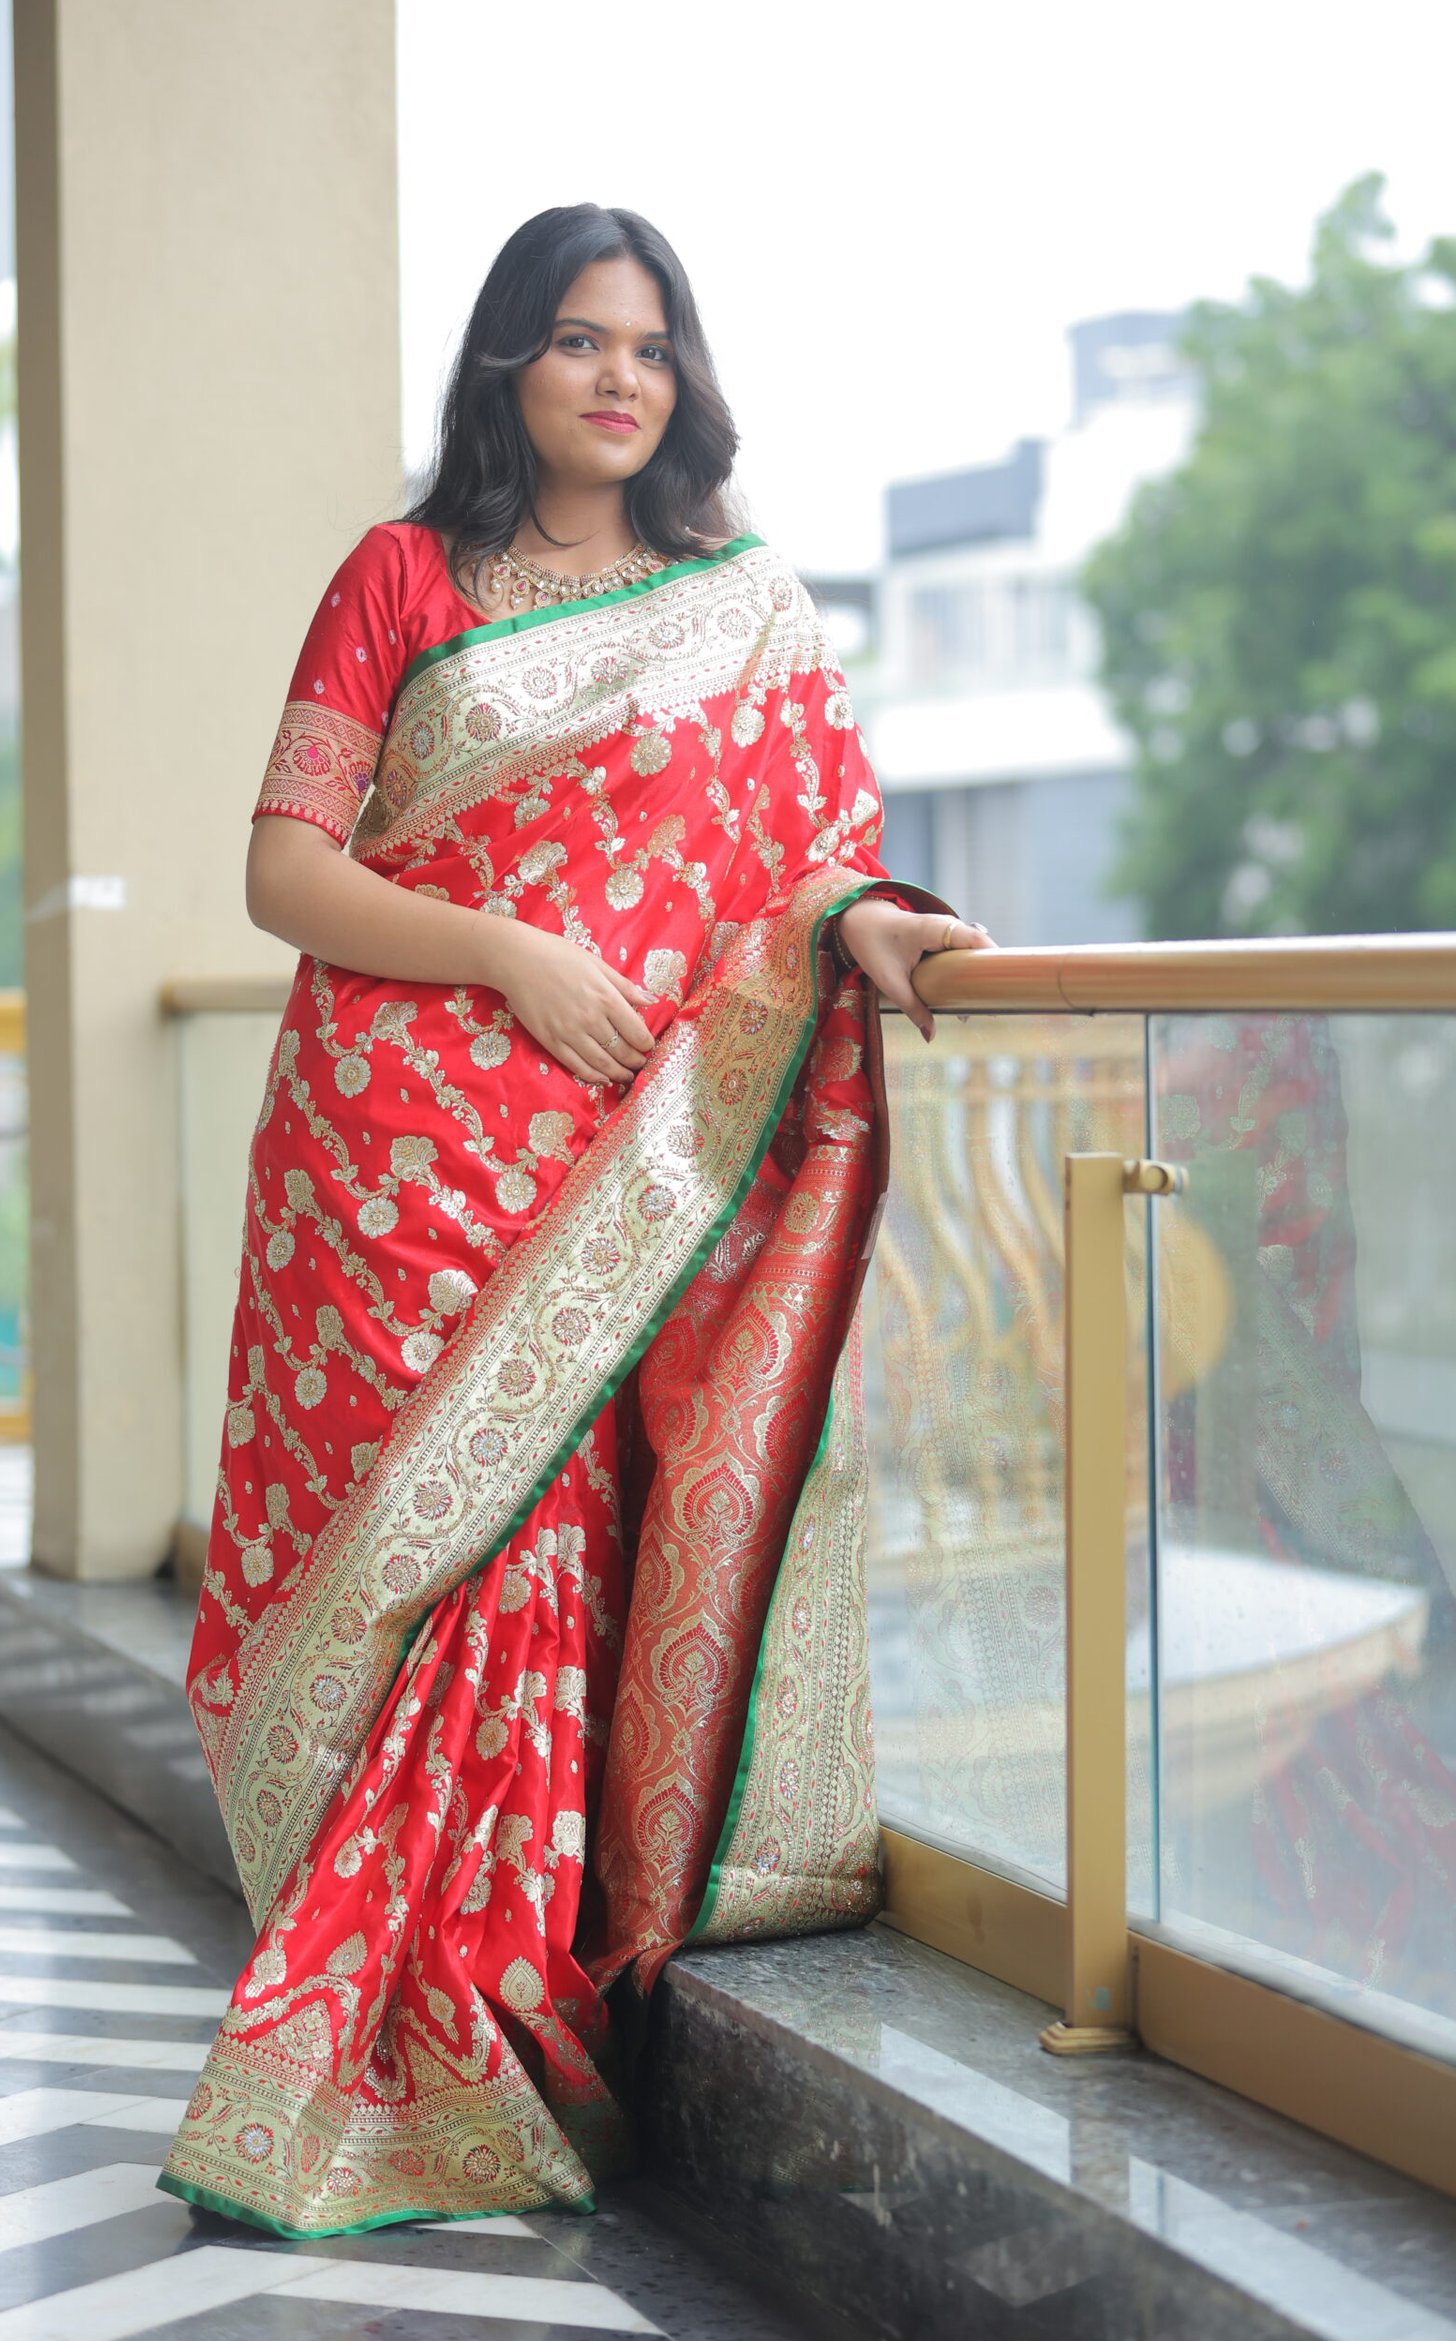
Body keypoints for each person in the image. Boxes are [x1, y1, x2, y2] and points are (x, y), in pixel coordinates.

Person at [158, 203, 991, 2238]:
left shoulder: (745, 606)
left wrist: (870, 924)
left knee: (544, 1555)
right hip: (392, 1145)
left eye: (647, 345)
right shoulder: (402, 575)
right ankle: (381, 2029)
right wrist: (507, 957)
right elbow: (286, 872)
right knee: (420, 1574)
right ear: (504, 368)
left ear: (680, 377)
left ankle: (480, 2015)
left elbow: (808, 861)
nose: (617, 377)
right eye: (573, 341)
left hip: (607, 1158)